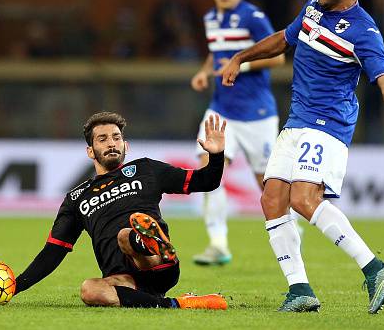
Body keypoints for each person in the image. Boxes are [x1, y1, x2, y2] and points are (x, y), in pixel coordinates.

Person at [219, 0, 384, 313]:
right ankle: (300, 289)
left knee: (303, 199)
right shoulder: (313, 8)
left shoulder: (365, 31)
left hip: (328, 124)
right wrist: (241, 56)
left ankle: (374, 267)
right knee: (272, 199)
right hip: (297, 121)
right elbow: (284, 39)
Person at [13, 111, 228, 310]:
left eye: (116, 138)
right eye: (103, 139)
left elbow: (206, 181)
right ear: (90, 151)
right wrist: (15, 287)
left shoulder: (147, 170)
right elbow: (54, 251)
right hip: (124, 280)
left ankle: (155, 245)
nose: (111, 143)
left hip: (158, 265)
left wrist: (217, 156)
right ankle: (177, 304)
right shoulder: (76, 198)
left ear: (126, 145)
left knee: (125, 235)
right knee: (90, 289)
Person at [190, 0, 286, 265]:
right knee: (209, 170)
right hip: (221, 110)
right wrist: (205, 72)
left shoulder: (253, 17)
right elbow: (215, 53)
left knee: (267, 184)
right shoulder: (210, 18)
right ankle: (218, 243)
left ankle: (290, 227)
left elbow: (278, 57)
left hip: (256, 113)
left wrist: (239, 64)